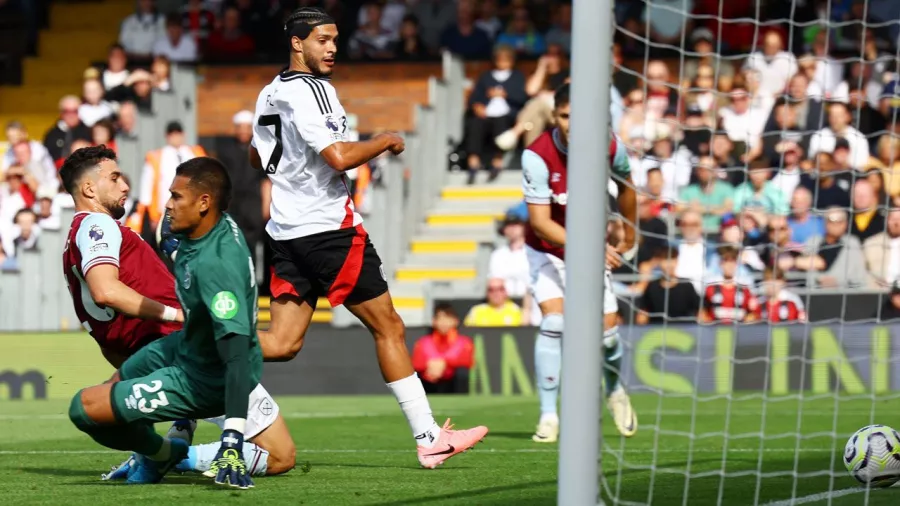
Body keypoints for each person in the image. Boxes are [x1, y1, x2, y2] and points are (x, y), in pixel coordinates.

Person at [246, 7, 487, 469]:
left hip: (286, 232)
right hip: (329, 232)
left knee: (282, 343)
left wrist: (296, 167)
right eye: (322, 40)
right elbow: (338, 157)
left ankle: (198, 353)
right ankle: (428, 437)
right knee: (389, 327)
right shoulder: (314, 91)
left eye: (335, 39)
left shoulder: (269, 92)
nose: (332, 48)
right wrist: (384, 140)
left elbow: (258, 160)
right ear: (297, 43)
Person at [59, 147, 294, 483]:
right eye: (114, 178)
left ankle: (159, 454)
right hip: (196, 354)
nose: (125, 186)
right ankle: (178, 457)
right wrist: (175, 314)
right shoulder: (98, 225)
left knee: (103, 407)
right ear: (89, 190)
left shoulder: (74, 241)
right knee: (280, 454)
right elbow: (106, 290)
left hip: (167, 349)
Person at [522, 83, 638, 443]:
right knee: (555, 322)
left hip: (591, 249)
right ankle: (548, 416)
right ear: (555, 116)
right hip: (546, 249)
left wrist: (631, 231)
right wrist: (588, 247)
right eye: (565, 116)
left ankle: (615, 389)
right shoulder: (537, 155)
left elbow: (629, 187)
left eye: (579, 116)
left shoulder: (610, 146)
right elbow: (541, 223)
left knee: (606, 337)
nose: (572, 123)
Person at [412, 304, 474, 394]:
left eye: (447, 318)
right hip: (429, 381)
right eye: (440, 318)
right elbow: (416, 363)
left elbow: (467, 361)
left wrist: (444, 364)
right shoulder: (424, 342)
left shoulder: (464, 341)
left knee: (462, 372)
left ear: (455, 321)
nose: (444, 322)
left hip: (452, 382)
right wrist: (429, 366)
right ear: (434, 321)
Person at [636, 246, 701, 325]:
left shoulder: (687, 286)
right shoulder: (651, 287)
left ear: (677, 261)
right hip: (656, 332)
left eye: (672, 259)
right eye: (666, 260)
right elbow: (643, 315)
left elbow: (700, 313)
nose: (669, 264)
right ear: (659, 262)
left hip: (685, 331)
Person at [699, 245, 759, 324]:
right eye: (726, 261)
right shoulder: (710, 288)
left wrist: (748, 320)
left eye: (733, 262)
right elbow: (702, 313)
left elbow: (754, 313)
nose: (730, 266)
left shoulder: (745, 289)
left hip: (739, 332)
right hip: (715, 332)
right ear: (721, 264)